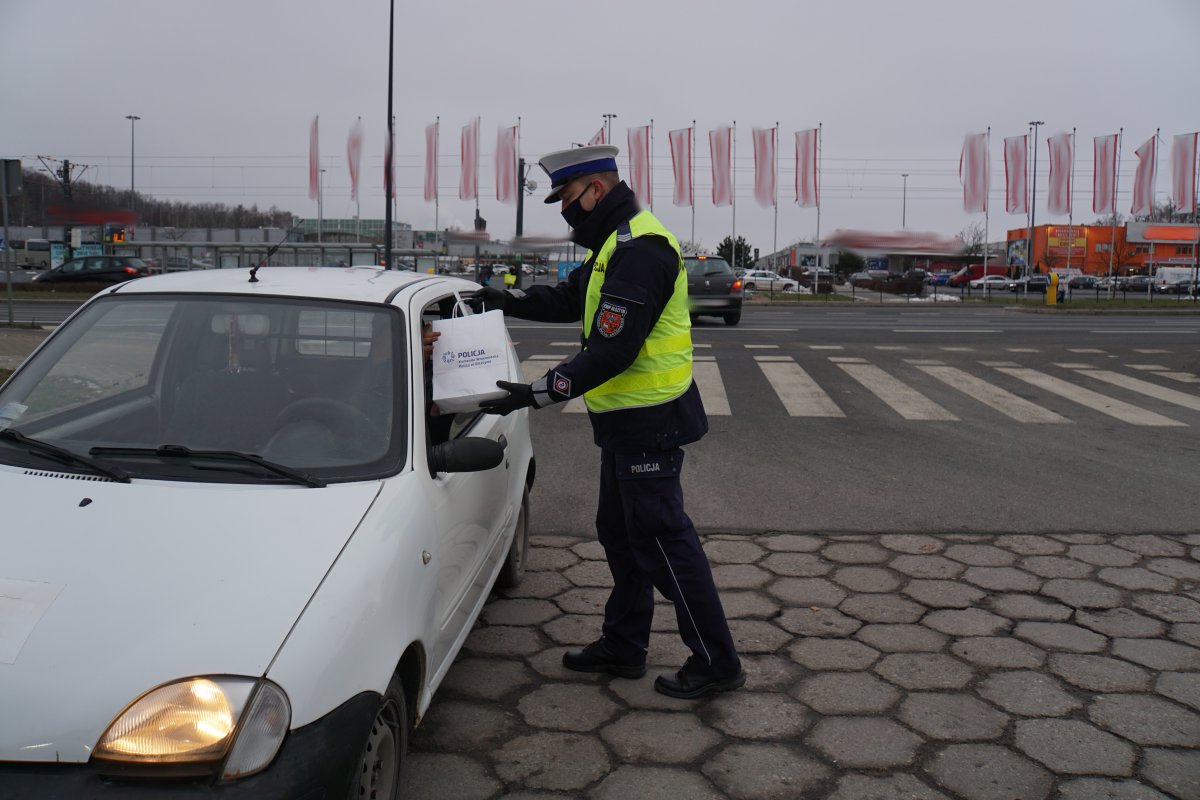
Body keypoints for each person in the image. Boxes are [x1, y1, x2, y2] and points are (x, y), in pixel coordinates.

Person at [469, 144, 744, 699]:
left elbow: (613, 350)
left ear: (597, 190)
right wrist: (504, 299)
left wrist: (536, 393)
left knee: (664, 540)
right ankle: (624, 645)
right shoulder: (614, 245)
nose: (566, 213)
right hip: (625, 421)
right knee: (618, 533)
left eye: (569, 199)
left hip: (651, 420)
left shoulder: (642, 249)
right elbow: (573, 299)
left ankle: (717, 661)